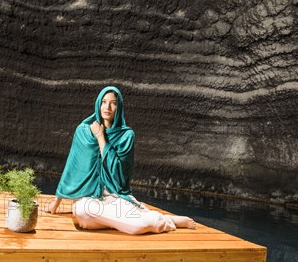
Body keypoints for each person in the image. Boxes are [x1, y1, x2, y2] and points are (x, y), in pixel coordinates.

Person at [45, 86, 196, 235]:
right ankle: (122, 221)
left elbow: (118, 174)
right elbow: (72, 166)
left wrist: (100, 137)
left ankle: (165, 220)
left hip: (115, 196)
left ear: (119, 106)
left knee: (140, 226)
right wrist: (57, 201)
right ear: (98, 104)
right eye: (104, 102)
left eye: (113, 103)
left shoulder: (126, 136)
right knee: (82, 212)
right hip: (90, 198)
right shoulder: (83, 131)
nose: (107, 107)